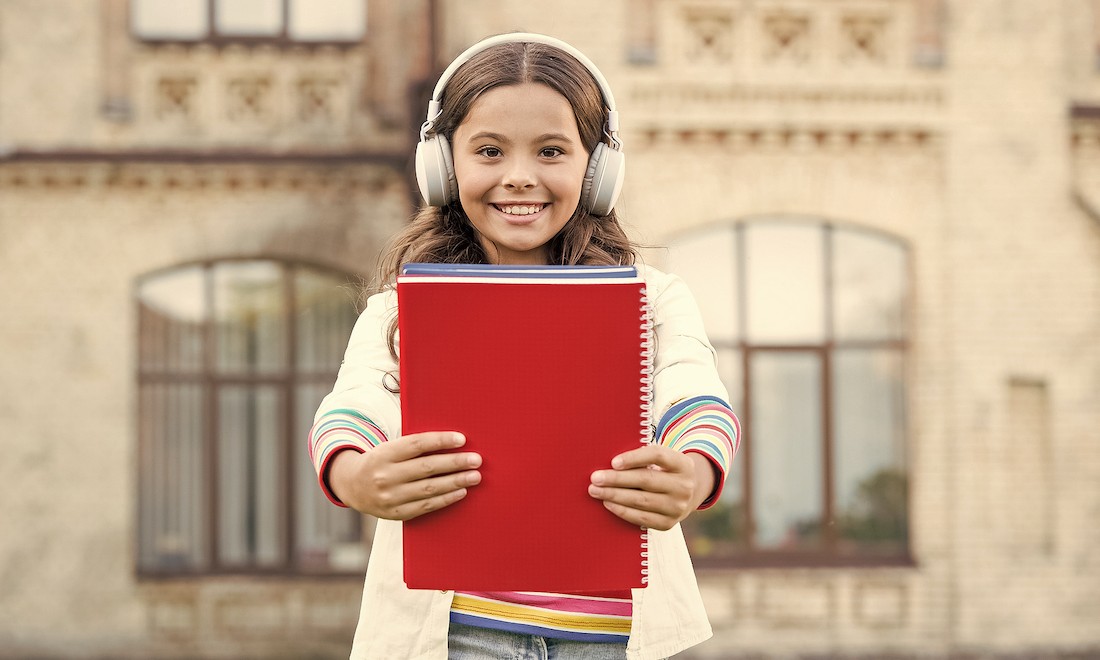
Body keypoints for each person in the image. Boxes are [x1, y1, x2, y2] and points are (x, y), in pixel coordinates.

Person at [308, 32, 740, 660]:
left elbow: (695, 395)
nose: (519, 177)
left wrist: (695, 471)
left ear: (596, 170)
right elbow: (349, 413)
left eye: (551, 151)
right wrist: (355, 475)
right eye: (489, 150)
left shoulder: (655, 300)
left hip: (610, 640)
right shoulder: (400, 311)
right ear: (442, 164)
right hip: (456, 636)